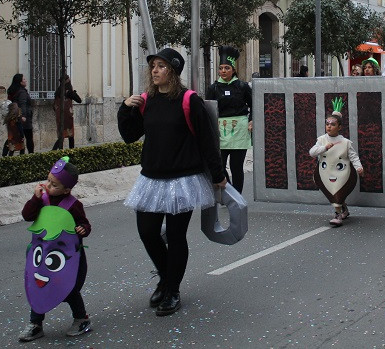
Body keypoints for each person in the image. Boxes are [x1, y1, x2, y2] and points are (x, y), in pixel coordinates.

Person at [117, 48, 226, 316]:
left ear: (173, 71)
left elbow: (206, 140)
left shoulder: (189, 101)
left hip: (183, 180)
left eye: (161, 66)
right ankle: (166, 279)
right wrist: (124, 109)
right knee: (148, 232)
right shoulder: (146, 102)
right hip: (151, 179)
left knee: (176, 237)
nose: (154, 71)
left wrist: (218, 174)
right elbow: (130, 136)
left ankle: (172, 291)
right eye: (152, 66)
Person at [19, 157, 91, 341]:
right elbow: (27, 215)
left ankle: (81, 319)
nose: (48, 186)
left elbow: (84, 224)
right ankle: (35, 324)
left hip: (64, 258)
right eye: (48, 180)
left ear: (67, 189)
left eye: (54, 184)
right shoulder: (42, 200)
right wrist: (35, 199)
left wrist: (83, 229)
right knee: (38, 286)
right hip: (42, 254)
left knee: (69, 288)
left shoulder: (73, 205)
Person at [205, 46, 253, 193]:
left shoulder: (243, 87)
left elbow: (254, 105)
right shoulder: (213, 88)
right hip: (221, 131)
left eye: (227, 68)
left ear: (233, 69)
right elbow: (208, 109)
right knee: (219, 165)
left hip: (240, 131)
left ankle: (237, 195)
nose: (223, 71)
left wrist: (252, 120)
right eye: (221, 68)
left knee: (236, 166)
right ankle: (229, 191)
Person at [309, 102, 364, 227]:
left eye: (333, 124)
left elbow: (353, 156)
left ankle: (337, 214)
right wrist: (324, 148)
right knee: (335, 192)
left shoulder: (345, 142)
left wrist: (359, 167)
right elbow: (312, 152)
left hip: (341, 173)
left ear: (339, 127)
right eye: (327, 124)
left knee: (338, 189)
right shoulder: (321, 140)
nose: (329, 126)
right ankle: (343, 209)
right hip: (326, 172)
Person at [52, 75, 82, 150]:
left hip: (59, 117)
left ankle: (55, 150)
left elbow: (54, 106)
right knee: (70, 135)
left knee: (61, 135)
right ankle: (70, 151)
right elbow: (79, 100)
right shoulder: (68, 91)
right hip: (67, 116)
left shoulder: (58, 91)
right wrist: (73, 92)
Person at [8, 74, 34, 153]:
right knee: (28, 138)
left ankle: (7, 155)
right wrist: (24, 116)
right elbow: (23, 104)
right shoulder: (22, 92)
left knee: (15, 137)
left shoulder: (14, 91)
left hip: (15, 117)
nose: (26, 80)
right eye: (24, 79)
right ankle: (31, 155)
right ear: (20, 82)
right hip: (24, 119)